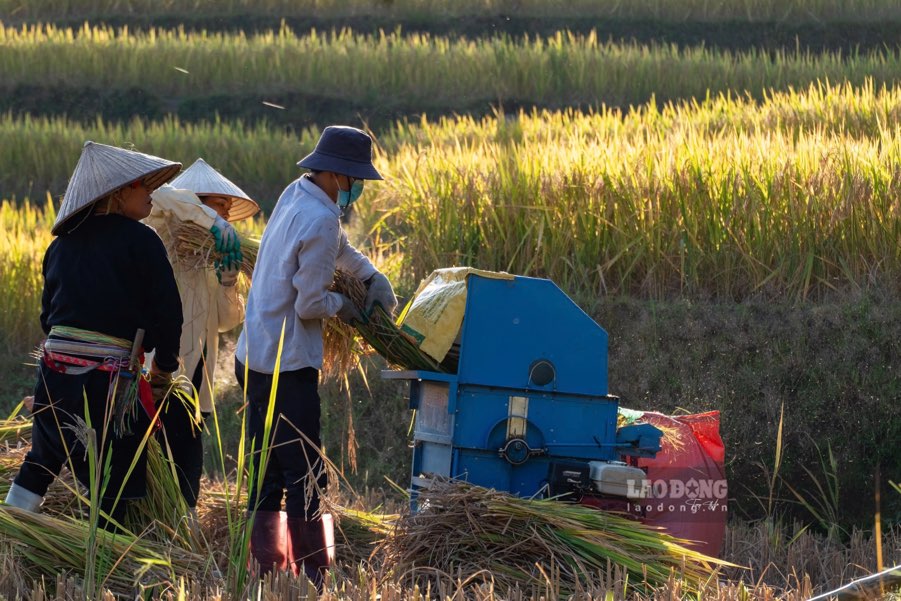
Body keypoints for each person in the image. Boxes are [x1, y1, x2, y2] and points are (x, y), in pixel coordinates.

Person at [235, 126, 397, 585]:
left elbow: (337, 251)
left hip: (254, 355)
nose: (356, 187)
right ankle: (313, 577)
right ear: (334, 173)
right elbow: (309, 304)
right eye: (353, 178)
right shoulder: (323, 219)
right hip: (286, 363)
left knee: (266, 469)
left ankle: (265, 573)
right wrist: (348, 308)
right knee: (305, 476)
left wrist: (368, 275)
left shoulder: (297, 194)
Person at [4, 141, 182, 530]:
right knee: (110, 471)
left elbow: (48, 318)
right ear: (118, 192)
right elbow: (168, 314)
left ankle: (11, 534)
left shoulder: (60, 246)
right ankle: (103, 560)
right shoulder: (142, 241)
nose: (151, 193)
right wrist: (165, 367)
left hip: (54, 373)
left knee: (42, 457)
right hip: (107, 382)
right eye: (143, 185)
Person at [143, 158, 259, 512]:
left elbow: (226, 321)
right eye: (217, 207)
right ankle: (152, 528)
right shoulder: (163, 237)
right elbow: (157, 193)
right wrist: (208, 220)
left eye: (226, 210)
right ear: (195, 203)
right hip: (160, 373)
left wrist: (228, 280)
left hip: (197, 381)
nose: (224, 216)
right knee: (152, 456)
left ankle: (182, 529)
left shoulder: (210, 258)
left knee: (188, 461)